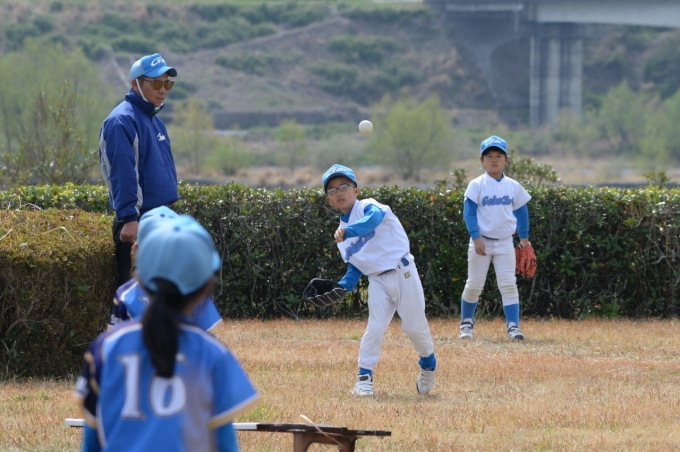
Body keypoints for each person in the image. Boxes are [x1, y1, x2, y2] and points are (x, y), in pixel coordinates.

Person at [75, 216, 259, 452]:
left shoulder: (105, 348)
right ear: (206, 287)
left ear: (141, 279)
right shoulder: (212, 354)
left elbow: (92, 442)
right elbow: (224, 445)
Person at [321, 164, 437, 397]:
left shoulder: (368, 206)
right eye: (332, 190)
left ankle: (428, 364)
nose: (339, 192)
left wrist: (349, 231)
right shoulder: (341, 234)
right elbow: (356, 265)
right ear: (328, 199)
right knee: (374, 328)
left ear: (356, 190)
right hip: (377, 281)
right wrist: (342, 287)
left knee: (414, 326)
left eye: (344, 186)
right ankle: (364, 378)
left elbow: (372, 220)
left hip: (402, 271)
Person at [99, 52, 179, 286]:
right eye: (156, 83)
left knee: (162, 294)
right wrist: (129, 218)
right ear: (136, 84)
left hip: (158, 219)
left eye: (167, 84)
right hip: (138, 223)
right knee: (136, 296)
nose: (163, 90)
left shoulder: (154, 120)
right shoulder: (121, 121)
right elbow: (122, 172)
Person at [459, 135, 532, 341]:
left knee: (508, 284)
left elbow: (522, 212)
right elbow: (469, 214)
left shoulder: (514, 186)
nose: (494, 160)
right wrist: (475, 238)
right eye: (489, 156)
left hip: (505, 242)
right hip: (481, 241)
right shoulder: (476, 185)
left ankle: (513, 327)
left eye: (499, 156)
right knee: (474, 284)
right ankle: (466, 325)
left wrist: (524, 239)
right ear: (481, 160)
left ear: (506, 160)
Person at [108, 206, 223, 334]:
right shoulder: (194, 288)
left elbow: (112, 335)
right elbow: (209, 334)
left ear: (137, 250)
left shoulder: (125, 294)